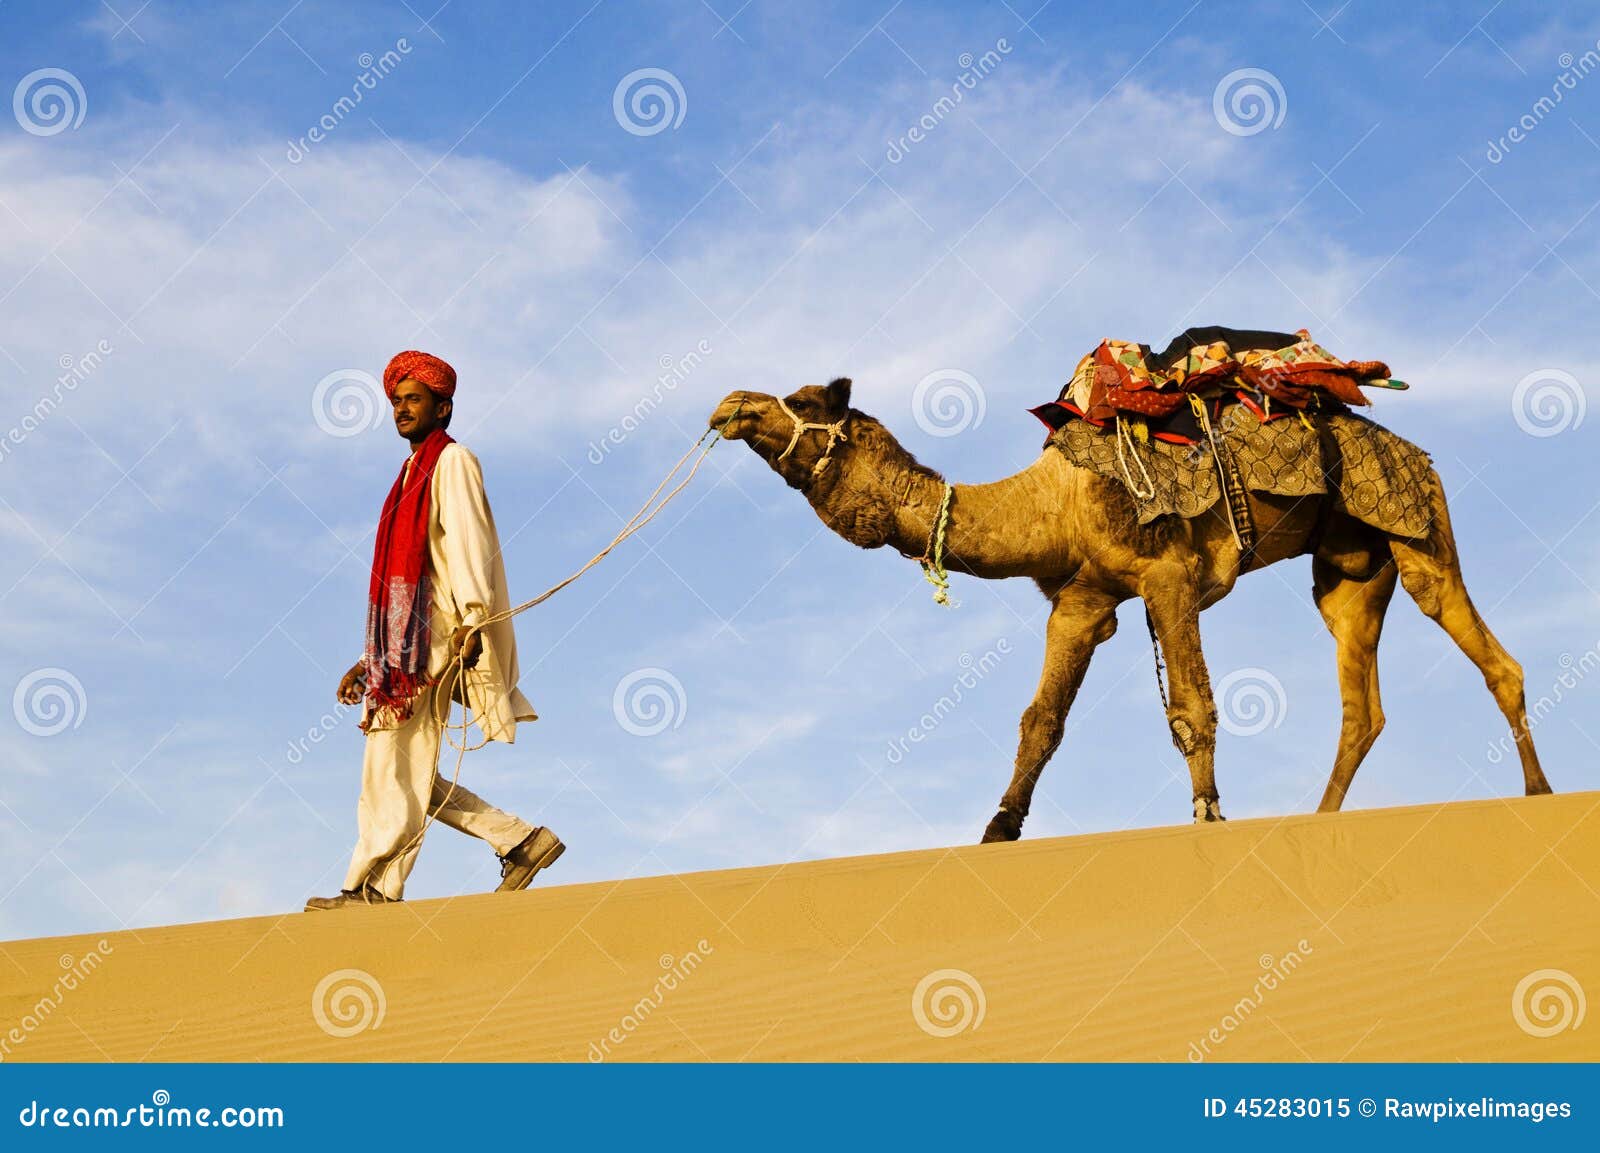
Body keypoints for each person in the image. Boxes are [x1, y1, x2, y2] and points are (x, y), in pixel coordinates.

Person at [305, 351, 562, 911]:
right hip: (405, 643)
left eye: (412, 399)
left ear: (443, 407)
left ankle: (374, 889)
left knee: (392, 762)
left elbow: (469, 545)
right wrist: (367, 656)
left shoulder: (453, 462)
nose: (400, 409)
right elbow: (409, 572)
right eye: (396, 400)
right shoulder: (408, 475)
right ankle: (519, 841)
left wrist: (474, 619)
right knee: (400, 762)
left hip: (441, 632)